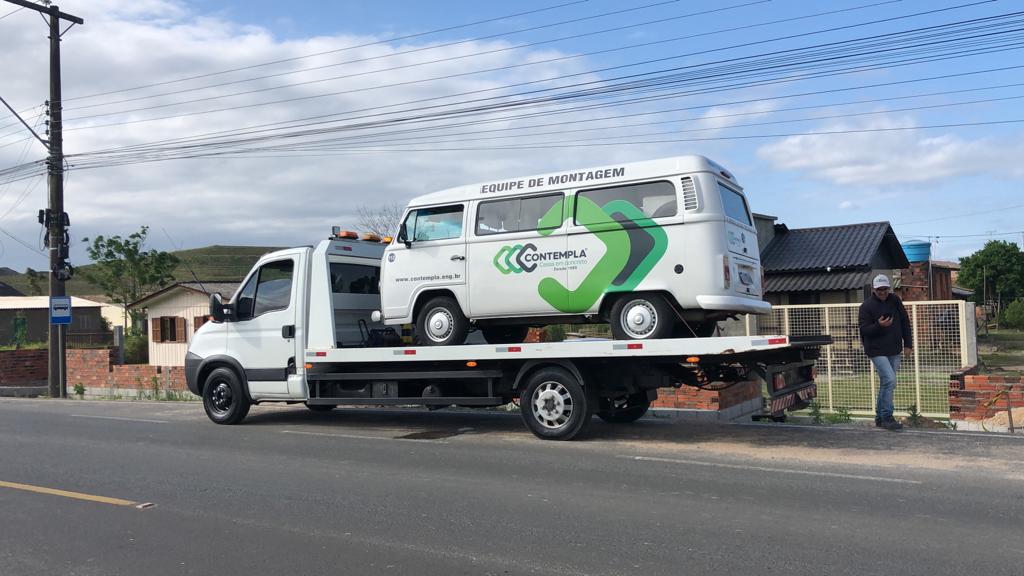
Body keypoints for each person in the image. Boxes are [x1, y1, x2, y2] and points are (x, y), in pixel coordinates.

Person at [859, 274, 913, 431]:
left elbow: (905, 321)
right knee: (890, 380)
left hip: (894, 349)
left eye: (885, 289)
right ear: (874, 290)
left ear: (889, 288)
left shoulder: (895, 300)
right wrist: (879, 325)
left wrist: (908, 344)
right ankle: (888, 417)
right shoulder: (866, 307)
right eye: (879, 289)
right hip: (876, 350)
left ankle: (880, 418)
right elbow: (864, 330)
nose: (882, 292)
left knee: (886, 383)